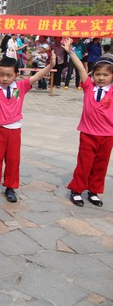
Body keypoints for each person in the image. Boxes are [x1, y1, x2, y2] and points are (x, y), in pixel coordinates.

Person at [0, 50, 56, 203]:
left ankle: (10, 187)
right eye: (1, 74)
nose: (4, 78)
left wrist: (50, 65)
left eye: (9, 75)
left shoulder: (21, 86)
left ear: (16, 74)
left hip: (14, 130)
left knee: (13, 160)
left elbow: (37, 76)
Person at [61, 38, 113, 207]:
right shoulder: (89, 86)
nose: (101, 78)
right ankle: (77, 190)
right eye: (98, 74)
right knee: (85, 163)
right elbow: (79, 67)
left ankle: (94, 191)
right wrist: (70, 51)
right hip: (88, 133)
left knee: (101, 164)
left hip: (107, 135)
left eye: (106, 75)